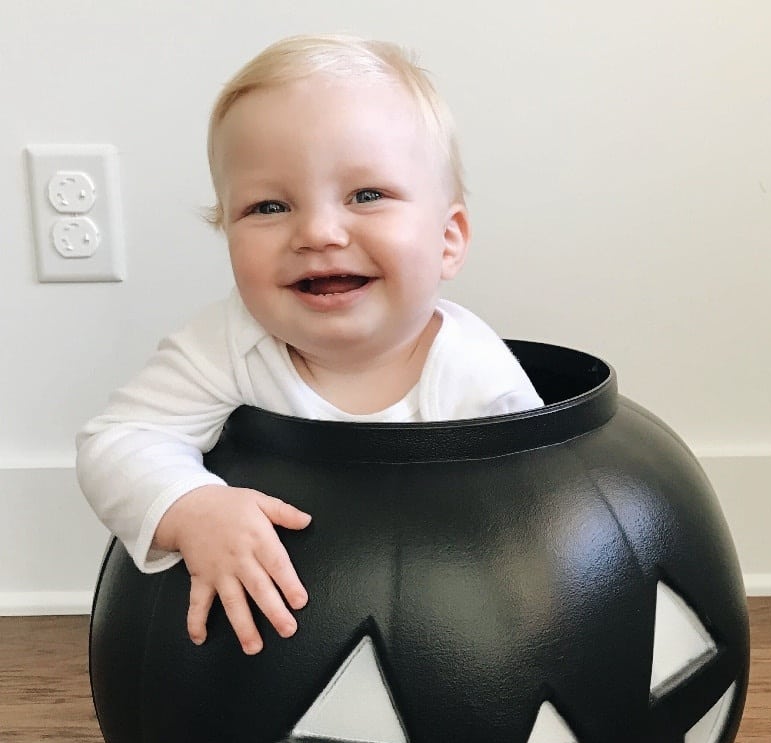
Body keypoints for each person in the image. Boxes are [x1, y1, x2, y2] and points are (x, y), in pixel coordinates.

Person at [76, 34, 543, 657]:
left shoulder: (478, 377)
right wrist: (193, 507)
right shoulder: (227, 343)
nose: (319, 232)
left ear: (448, 239)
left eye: (367, 195)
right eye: (269, 205)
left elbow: (536, 522)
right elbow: (117, 441)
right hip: (262, 652)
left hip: (443, 643)